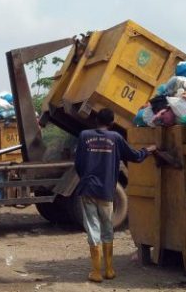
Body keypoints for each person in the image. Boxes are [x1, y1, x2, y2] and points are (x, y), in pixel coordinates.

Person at [74, 108, 156, 282]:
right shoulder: (115, 138)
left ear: (96, 120)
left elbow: (78, 164)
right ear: (111, 123)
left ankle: (96, 272)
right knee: (107, 227)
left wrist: (86, 180)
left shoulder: (84, 136)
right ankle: (109, 270)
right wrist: (148, 150)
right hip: (106, 191)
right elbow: (135, 157)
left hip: (88, 189)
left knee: (93, 228)